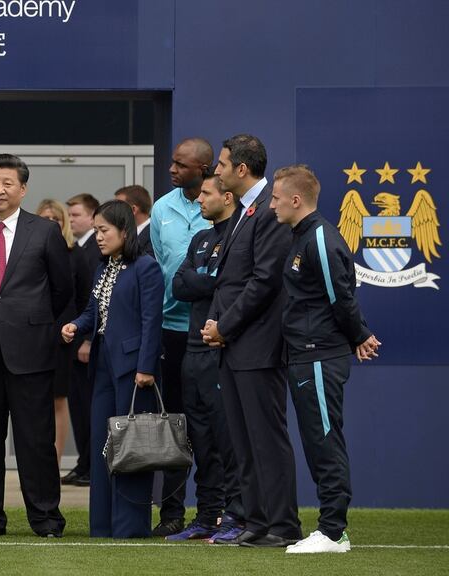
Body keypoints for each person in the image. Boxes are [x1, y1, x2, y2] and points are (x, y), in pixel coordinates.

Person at [0, 154, 71, 538]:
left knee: (35, 441)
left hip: (32, 351)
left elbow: (61, 289)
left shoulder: (44, 232)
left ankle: (45, 518)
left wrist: (31, 322)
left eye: (7, 183)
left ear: (23, 189)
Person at [269, 165, 380, 554]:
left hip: (318, 357)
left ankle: (333, 532)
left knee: (325, 442)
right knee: (318, 443)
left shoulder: (318, 237)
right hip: (304, 355)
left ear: (296, 200)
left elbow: (341, 297)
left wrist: (360, 335)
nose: (272, 205)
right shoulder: (300, 235)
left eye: (276, 198)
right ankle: (331, 529)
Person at [201, 134, 300, 547]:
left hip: (257, 346)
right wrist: (218, 324)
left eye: (221, 165)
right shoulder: (244, 210)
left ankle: (282, 526)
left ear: (241, 169)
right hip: (234, 346)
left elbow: (263, 282)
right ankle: (255, 522)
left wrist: (225, 326)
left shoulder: (268, 212)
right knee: (243, 443)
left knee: (265, 439)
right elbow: (233, 279)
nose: (216, 171)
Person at [62, 199, 164, 538]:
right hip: (103, 363)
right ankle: (102, 525)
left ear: (124, 230)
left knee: (132, 447)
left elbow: (152, 321)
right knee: (102, 443)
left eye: (103, 230)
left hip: (134, 369)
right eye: (96, 230)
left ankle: (131, 527)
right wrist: (76, 326)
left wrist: (146, 367)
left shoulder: (146, 267)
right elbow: (94, 311)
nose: (99, 237)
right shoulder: (103, 267)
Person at [169, 174, 244, 542]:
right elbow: (179, 285)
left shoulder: (239, 235)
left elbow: (223, 283)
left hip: (221, 353)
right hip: (192, 352)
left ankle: (235, 515)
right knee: (200, 440)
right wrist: (206, 278)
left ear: (227, 197)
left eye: (206, 194)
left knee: (226, 438)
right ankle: (207, 515)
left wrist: (205, 279)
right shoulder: (200, 238)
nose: (199, 200)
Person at [146, 138, 215, 536]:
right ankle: (170, 513)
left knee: (208, 426)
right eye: (172, 162)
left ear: (203, 169)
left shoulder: (222, 206)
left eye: (181, 165)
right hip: (170, 331)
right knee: (173, 425)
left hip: (209, 332)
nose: (172, 170)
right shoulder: (162, 208)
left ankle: (212, 511)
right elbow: (157, 266)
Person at [62, 193, 100, 487]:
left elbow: (92, 299)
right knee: (77, 404)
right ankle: (83, 461)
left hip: (85, 339)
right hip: (73, 338)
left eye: (76, 214)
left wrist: (86, 339)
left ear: (91, 216)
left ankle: (90, 463)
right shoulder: (78, 249)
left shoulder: (92, 252)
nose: (71, 219)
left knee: (86, 405)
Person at [35, 198, 74, 468]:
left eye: (55, 220)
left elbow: (78, 297)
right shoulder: (30, 251)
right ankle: (37, 461)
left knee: (58, 400)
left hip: (62, 338)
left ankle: (55, 461)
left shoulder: (73, 254)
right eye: (44, 219)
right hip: (32, 337)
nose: (50, 225)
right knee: (36, 401)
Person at [114, 185, 155, 257]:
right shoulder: (125, 234)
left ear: (133, 209)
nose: (113, 211)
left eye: (118, 207)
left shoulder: (154, 234)